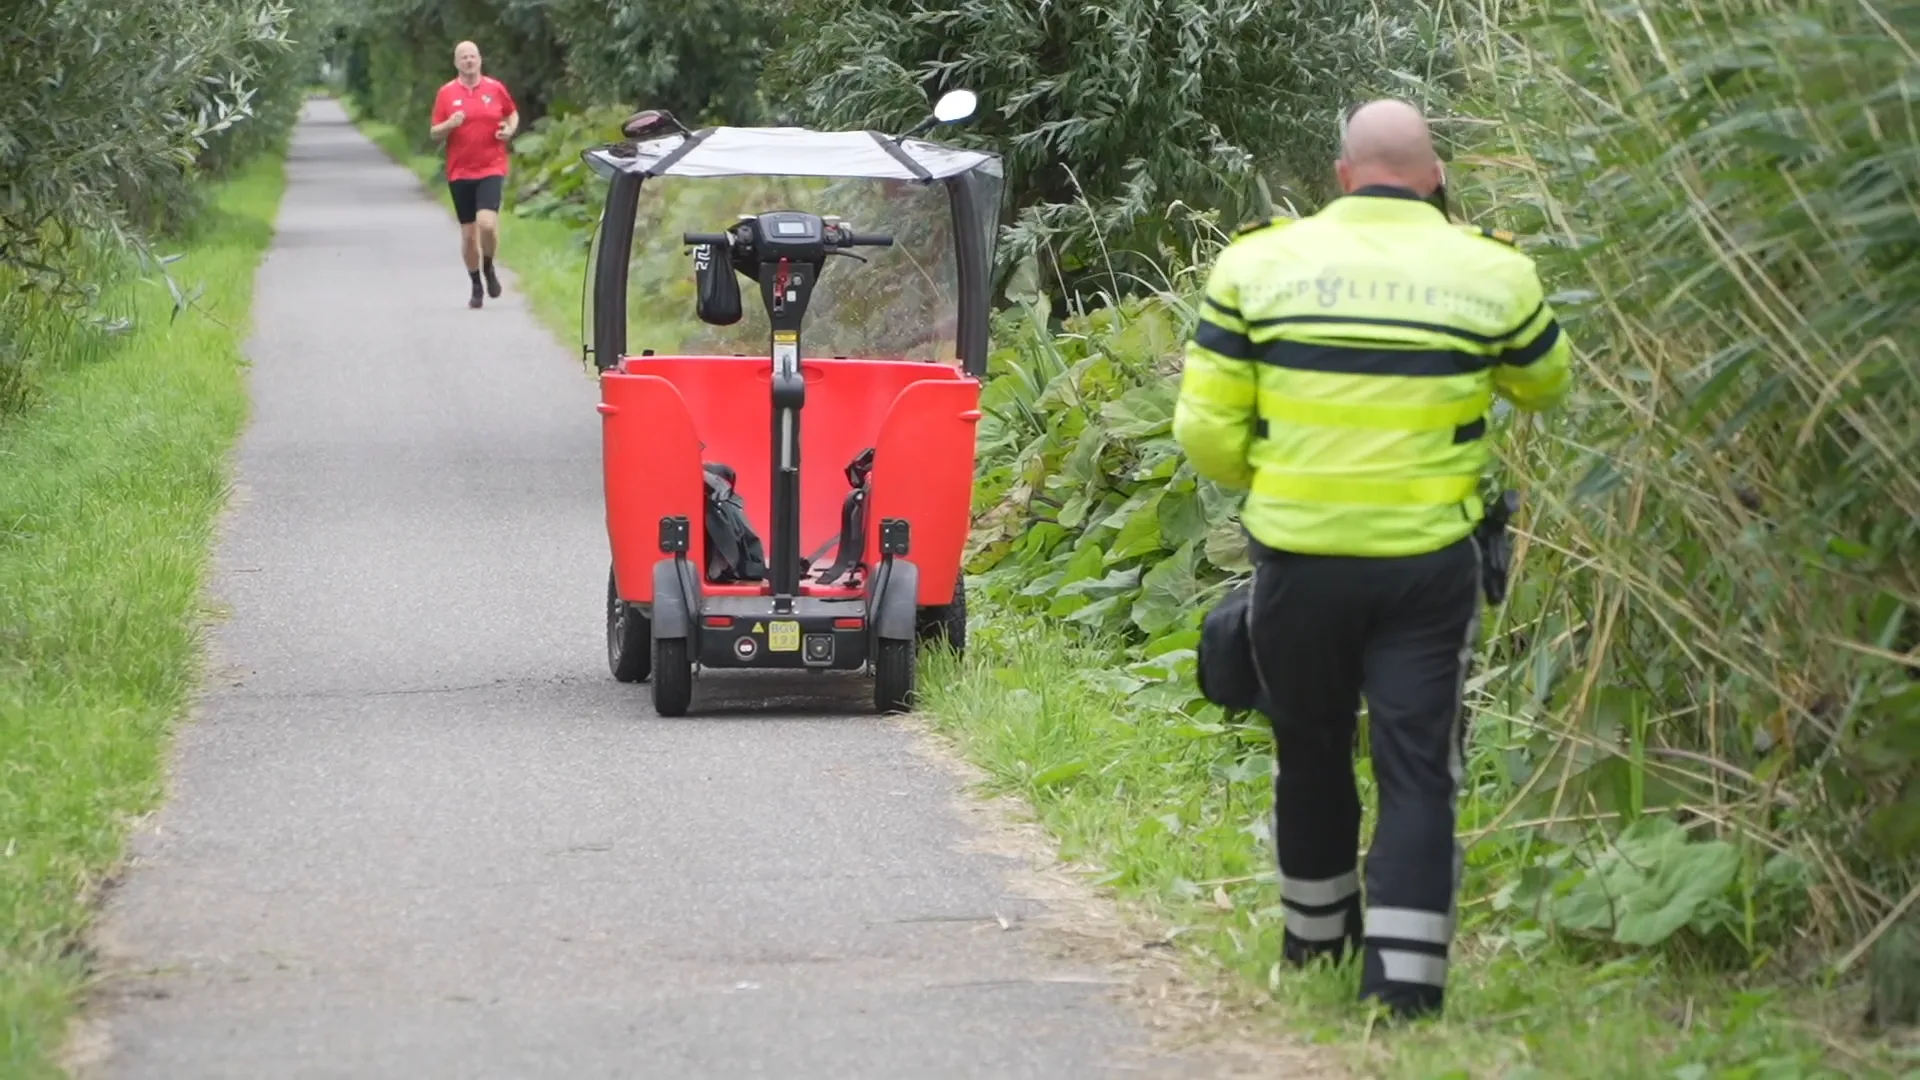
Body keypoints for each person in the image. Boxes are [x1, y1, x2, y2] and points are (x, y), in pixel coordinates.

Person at [1173, 99, 1572, 1021]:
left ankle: (1315, 942)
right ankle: (1406, 989)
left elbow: (1204, 431)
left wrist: (1280, 475)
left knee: (1307, 747)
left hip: (1299, 559)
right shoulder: (1493, 272)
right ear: (1435, 178)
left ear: (1342, 176)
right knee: (1417, 767)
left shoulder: (1256, 266)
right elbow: (1546, 383)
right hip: (1428, 563)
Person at [429, 40, 518, 308]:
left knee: (487, 224)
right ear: (456, 63)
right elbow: (434, 133)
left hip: (491, 166)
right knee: (468, 235)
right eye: (463, 57)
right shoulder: (446, 93)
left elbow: (512, 114)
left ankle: (489, 266)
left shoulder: (494, 88)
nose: (469, 61)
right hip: (460, 171)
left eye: (473, 56)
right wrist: (449, 124)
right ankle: (476, 284)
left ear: (480, 60)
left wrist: (509, 130)